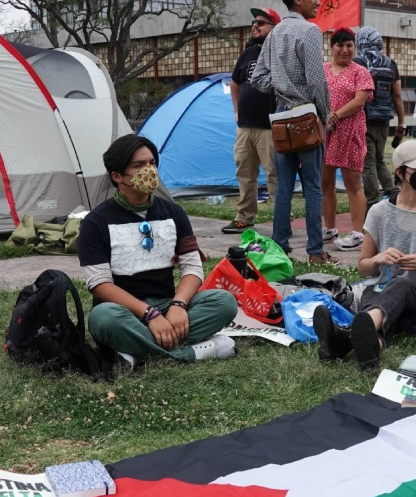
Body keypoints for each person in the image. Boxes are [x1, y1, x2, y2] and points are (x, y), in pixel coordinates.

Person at [79, 135, 239, 367]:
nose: (149, 170)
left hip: (168, 306)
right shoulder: (95, 222)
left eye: (152, 163)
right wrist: (149, 314)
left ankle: (136, 352)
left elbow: (192, 268)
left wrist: (178, 305)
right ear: (117, 176)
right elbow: (100, 284)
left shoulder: (174, 213)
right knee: (102, 318)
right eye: (139, 165)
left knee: (224, 302)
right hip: (124, 313)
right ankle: (194, 352)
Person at [312, 140, 416, 370]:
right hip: (383, 286)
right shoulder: (379, 212)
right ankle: (371, 347)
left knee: (401, 286)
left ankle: (344, 336)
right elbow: (364, 267)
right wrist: (378, 259)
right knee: (379, 298)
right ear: (400, 172)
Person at [251, 0, 336, 264]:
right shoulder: (309, 30)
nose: (318, 2)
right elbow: (316, 81)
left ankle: (280, 249)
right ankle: (315, 251)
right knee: (312, 186)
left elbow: (257, 78)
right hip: (306, 115)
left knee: (284, 187)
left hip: (281, 116)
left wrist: (281, 85)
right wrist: (324, 115)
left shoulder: (274, 33)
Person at [223, 7, 279, 235]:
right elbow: (235, 83)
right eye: (254, 22)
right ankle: (244, 218)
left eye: (261, 23)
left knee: (275, 173)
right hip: (245, 126)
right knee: (245, 173)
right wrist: (237, 110)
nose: (255, 25)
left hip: (270, 127)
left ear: (275, 28)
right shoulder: (248, 54)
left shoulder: (280, 52)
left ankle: (281, 219)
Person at [320, 28, 374, 252]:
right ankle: (329, 229)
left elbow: (359, 101)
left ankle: (357, 233)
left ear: (354, 47)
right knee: (325, 184)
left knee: (353, 185)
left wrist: (335, 116)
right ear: (331, 47)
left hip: (351, 133)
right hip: (325, 134)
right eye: (339, 45)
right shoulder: (321, 69)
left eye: (349, 45)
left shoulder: (360, 72)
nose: (344, 50)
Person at [353, 26, 406, 216]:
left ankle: (372, 204)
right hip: (384, 120)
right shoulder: (390, 64)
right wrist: (401, 122)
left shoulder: (358, 62)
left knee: (367, 162)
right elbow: (397, 95)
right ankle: (393, 193)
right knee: (379, 160)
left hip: (363, 119)